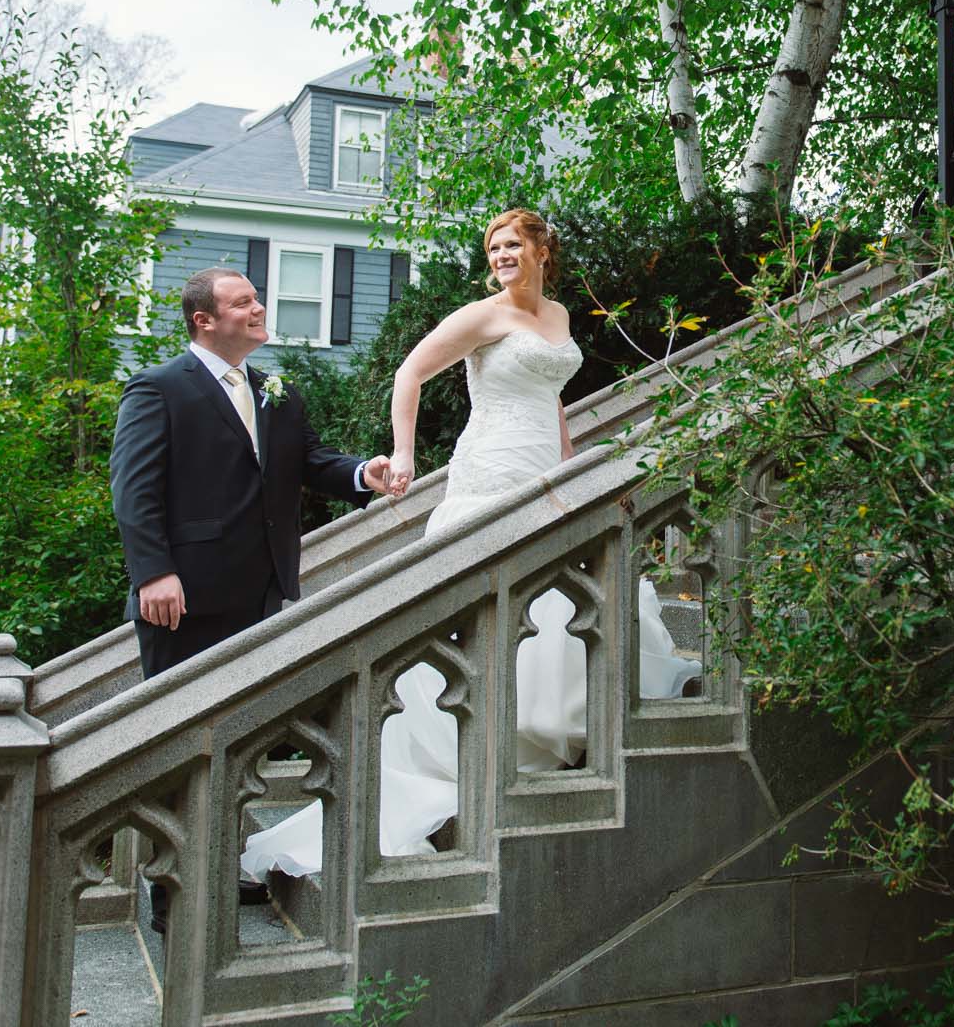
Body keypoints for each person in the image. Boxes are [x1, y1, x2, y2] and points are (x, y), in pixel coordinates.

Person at [240, 210, 700, 877]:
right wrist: (403, 454)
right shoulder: (482, 315)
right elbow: (409, 373)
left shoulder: (559, 315)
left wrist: (572, 466)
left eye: (513, 244)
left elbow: (551, 398)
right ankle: (486, 740)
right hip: (490, 470)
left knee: (563, 589)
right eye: (493, 247)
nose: (502, 255)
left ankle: (555, 719)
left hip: (543, 467)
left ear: (542, 249)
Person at [110, 265, 390, 931]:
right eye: (243, 302)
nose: (259, 308)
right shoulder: (158, 388)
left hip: (262, 595)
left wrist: (362, 472)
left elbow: (310, 461)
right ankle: (172, 891)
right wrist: (154, 573)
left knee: (236, 742)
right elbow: (133, 488)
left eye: (258, 298)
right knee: (179, 744)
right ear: (204, 319)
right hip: (184, 600)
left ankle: (217, 865)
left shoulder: (275, 392)